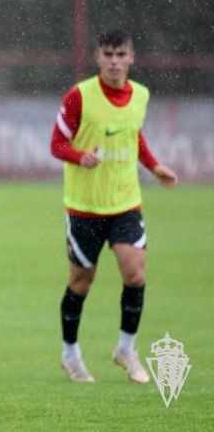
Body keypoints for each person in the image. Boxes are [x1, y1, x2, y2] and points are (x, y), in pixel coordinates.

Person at [50, 28, 178, 384]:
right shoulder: (80, 97)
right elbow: (57, 144)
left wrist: (154, 167)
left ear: (131, 58)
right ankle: (70, 354)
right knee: (81, 282)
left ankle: (126, 348)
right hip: (84, 208)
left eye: (121, 54)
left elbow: (132, 133)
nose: (115, 61)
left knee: (135, 274)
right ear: (98, 58)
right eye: (108, 54)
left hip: (125, 203)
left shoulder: (141, 95)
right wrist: (79, 156)